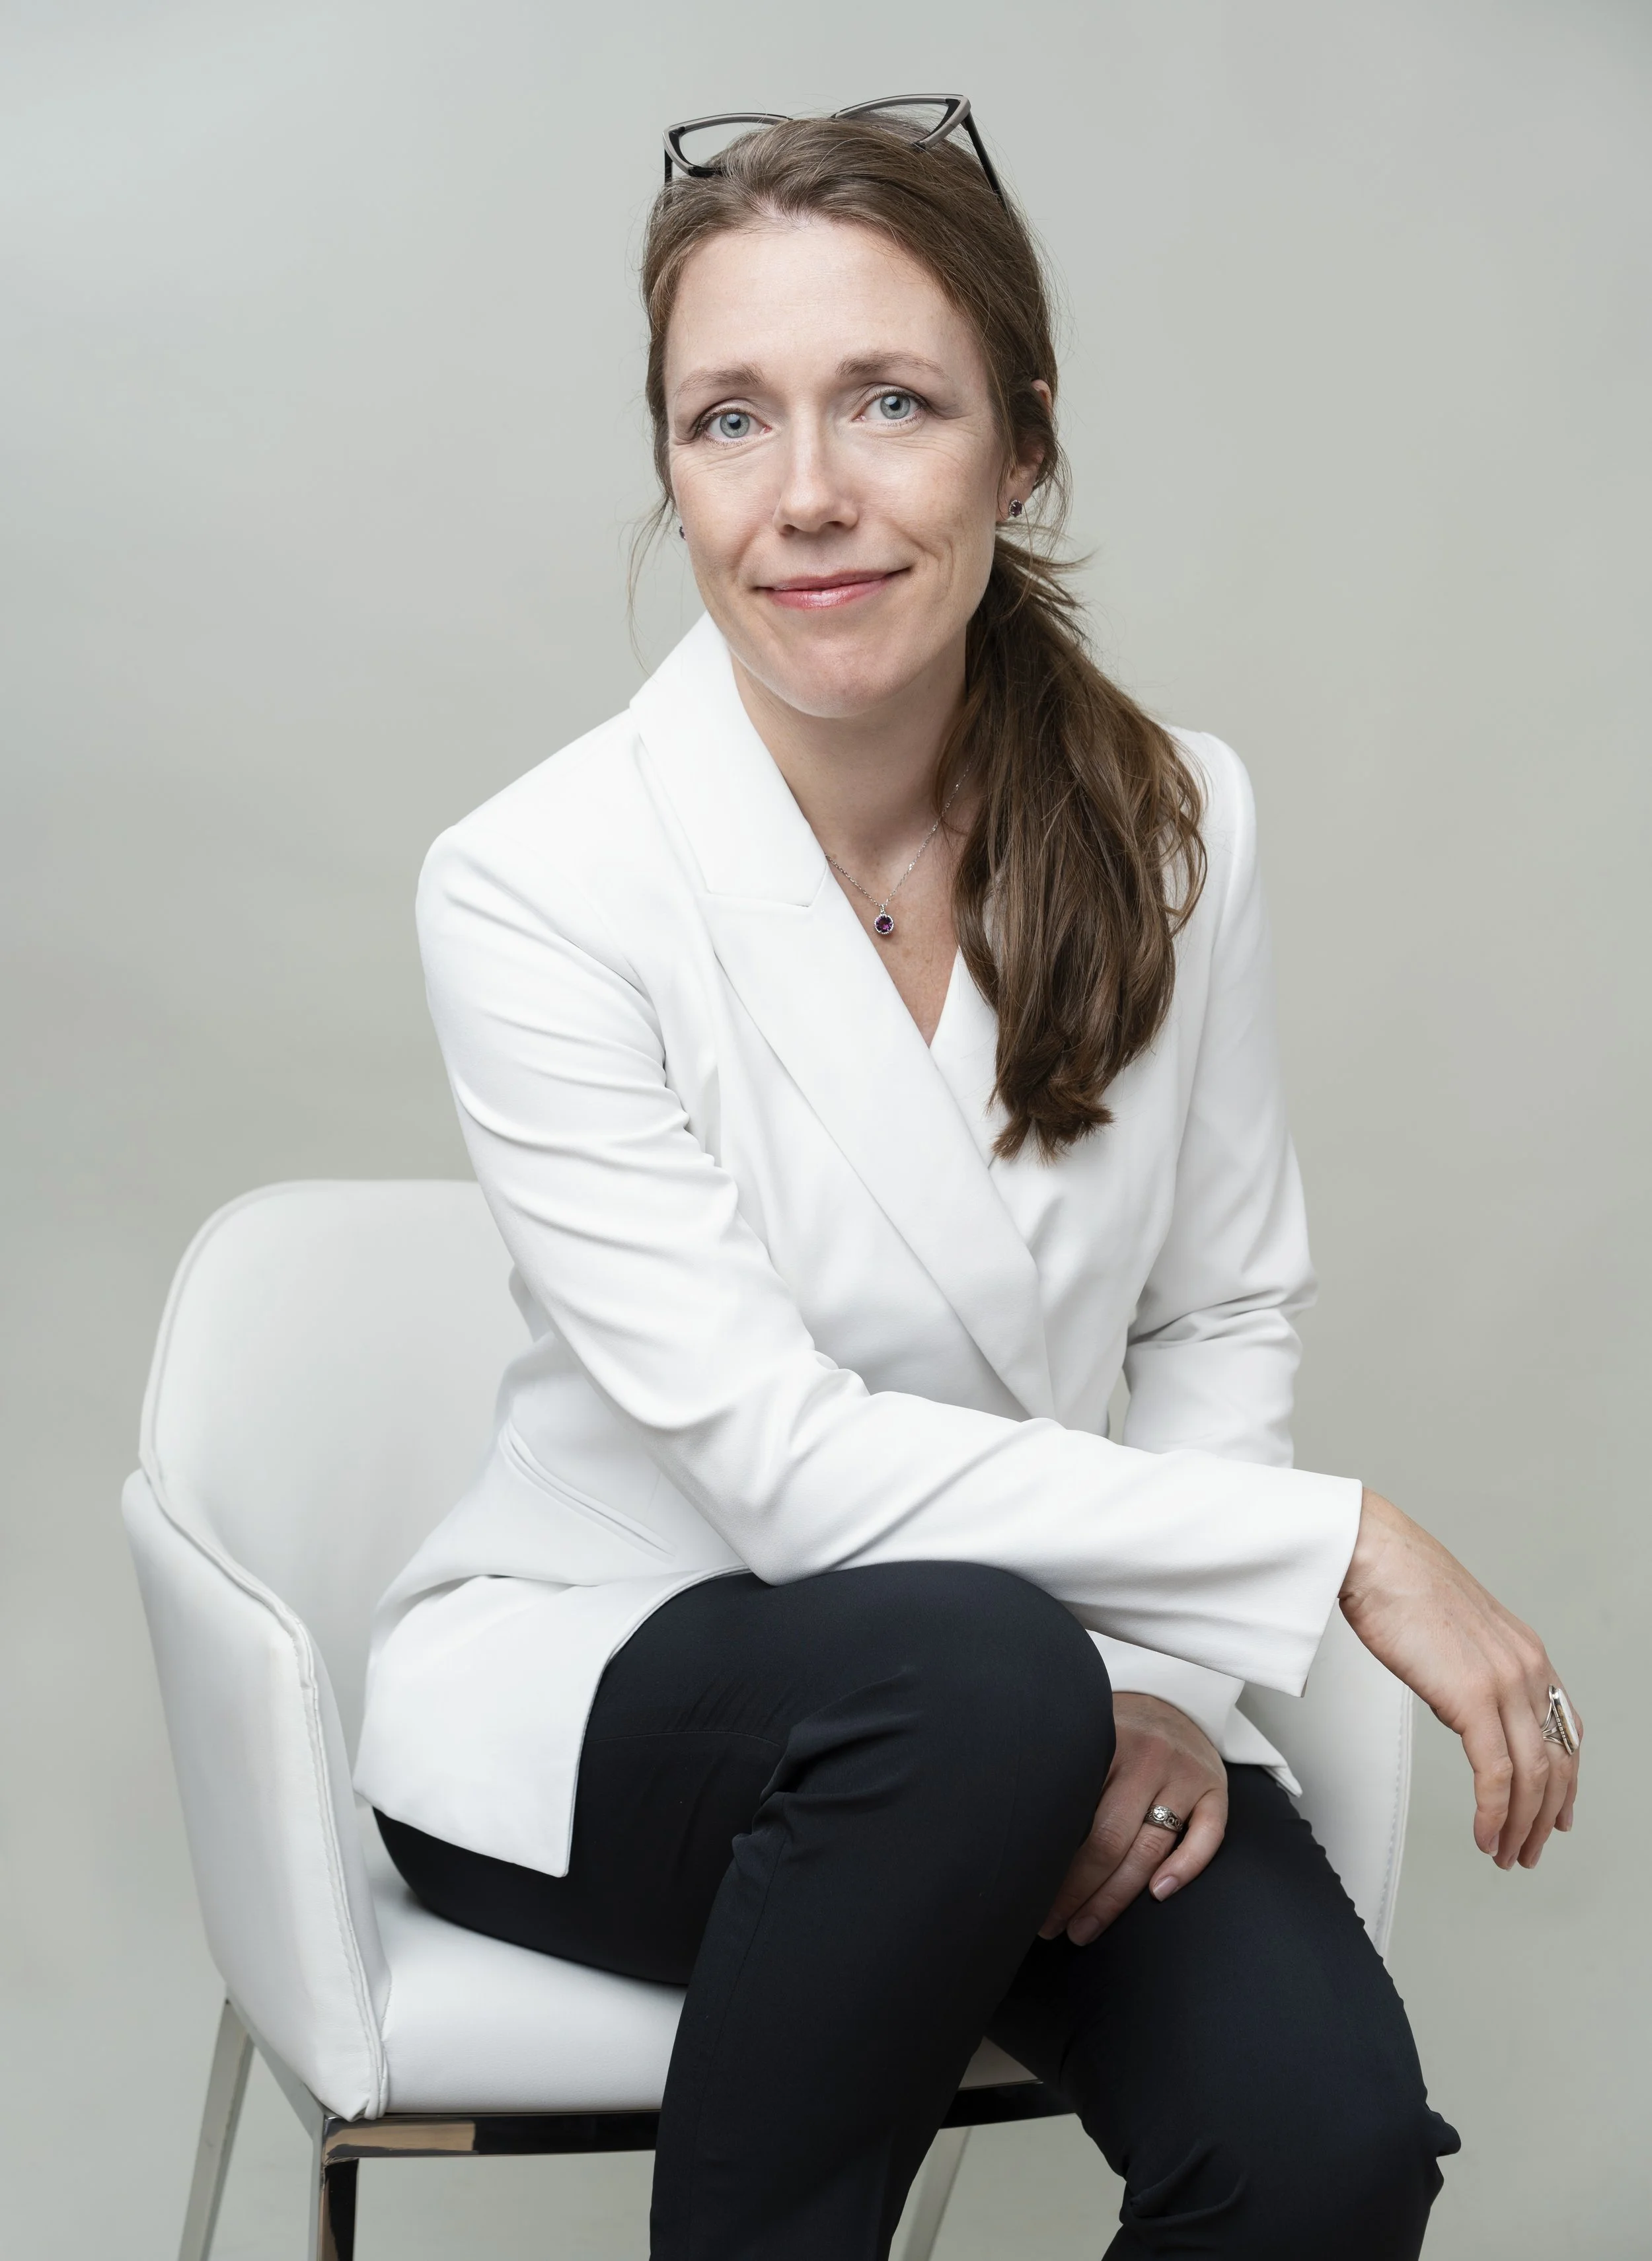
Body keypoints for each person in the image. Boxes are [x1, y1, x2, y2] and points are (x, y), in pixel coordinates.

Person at [352, 101, 1580, 2260]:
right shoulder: (535, 884)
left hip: (1033, 1699)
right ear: (669, 464)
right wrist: (1336, 1547)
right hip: (614, 1689)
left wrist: (1182, 1696)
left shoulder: (1173, 819)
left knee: (1318, 2154)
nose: (805, 492)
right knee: (973, 1679)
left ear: (1020, 446)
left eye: (889, 403)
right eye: (728, 418)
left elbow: (1210, 1312)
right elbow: (788, 1476)